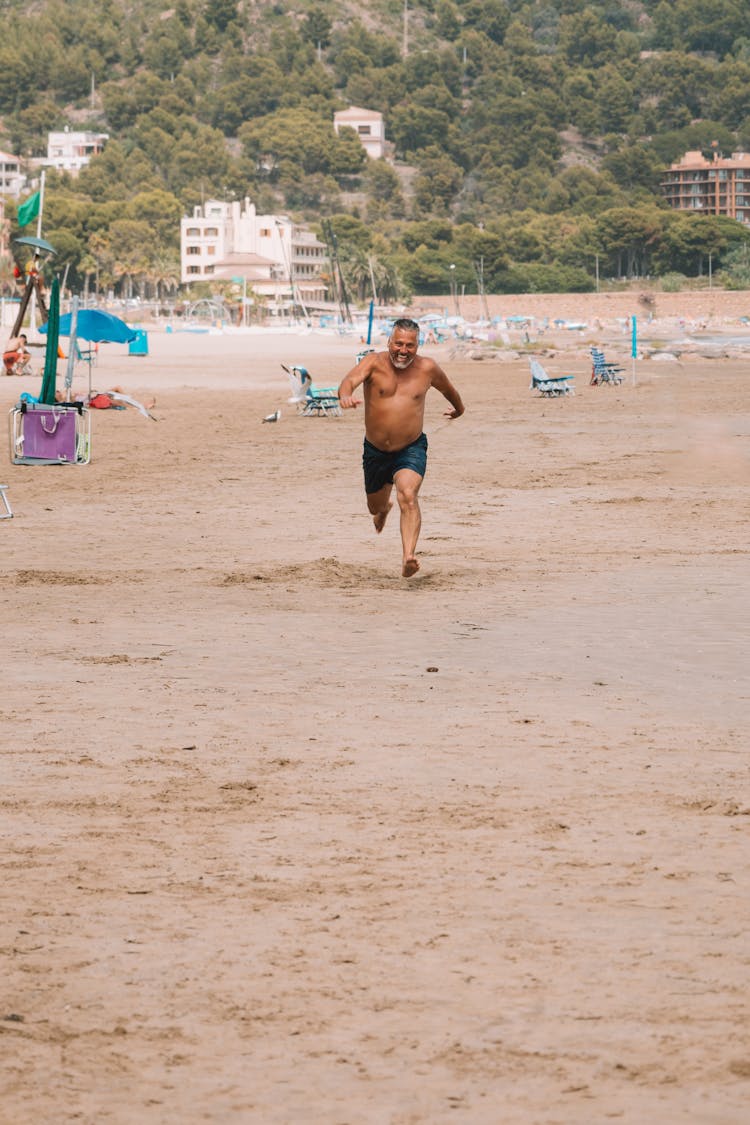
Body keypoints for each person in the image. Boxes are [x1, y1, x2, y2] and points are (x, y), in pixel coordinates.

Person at [338, 317, 465, 578]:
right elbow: (349, 381)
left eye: (410, 345)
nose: (403, 351)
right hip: (375, 451)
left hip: (411, 447)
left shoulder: (428, 368)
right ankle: (383, 510)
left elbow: (448, 389)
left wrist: (459, 409)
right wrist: (345, 396)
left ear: (418, 345)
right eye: (398, 344)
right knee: (374, 506)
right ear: (389, 342)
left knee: (407, 495)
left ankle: (408, 556)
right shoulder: (373, 362)